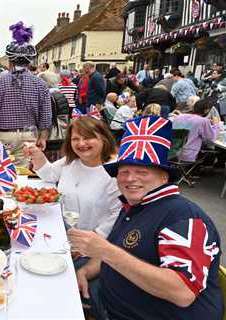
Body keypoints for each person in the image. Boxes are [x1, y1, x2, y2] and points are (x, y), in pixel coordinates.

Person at [69, 115, 223, 320]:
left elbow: (182, 292)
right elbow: (116, 250)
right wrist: (86, 271)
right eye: (124, 172)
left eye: (142, 171)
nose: (130, 179)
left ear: (164, 177)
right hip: (109, 300)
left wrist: (105, 250)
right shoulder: (134, 205)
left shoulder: (182, 216)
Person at [25, 116, 121, 238]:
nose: (81, 143)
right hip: (63, 233)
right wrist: (37, 155)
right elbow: (49, 174)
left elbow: (119, 213)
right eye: (75, 139)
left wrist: (93, 238)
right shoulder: (71, 161)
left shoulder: (116, 170)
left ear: (104, 138)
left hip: (94, 244)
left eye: (87, 138)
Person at [0, 21, 52, 166]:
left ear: (10, 60)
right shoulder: (40, 83)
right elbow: (46, 117)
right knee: (22, 175)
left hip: (4, 135)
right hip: (28, 136)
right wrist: (43, 138)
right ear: (29, 61)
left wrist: (1, 111)